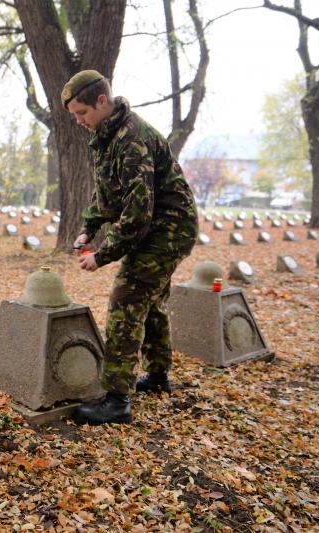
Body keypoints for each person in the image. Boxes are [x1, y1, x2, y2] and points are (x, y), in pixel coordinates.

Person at [61, 70, 198, 425]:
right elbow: (106, 193)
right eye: (75, 115)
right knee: (150, 301)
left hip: (168, 229)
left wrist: (102, 256)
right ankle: (156, 376)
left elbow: (138, 214)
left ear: (102, 101)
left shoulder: (132, 139)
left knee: (127, 297)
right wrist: (89, 228)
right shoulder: (107, 136)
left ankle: (117, 399)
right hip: (156, 227)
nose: (79, 121)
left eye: (82, 113)